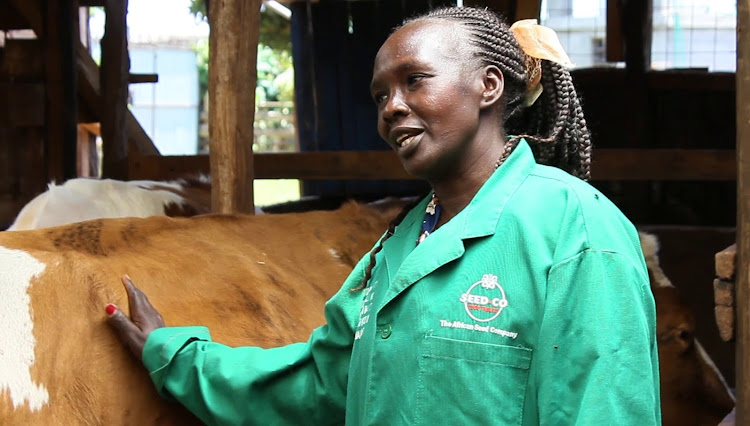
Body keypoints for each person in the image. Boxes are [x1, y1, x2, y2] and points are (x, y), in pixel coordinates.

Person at [106, 6, 661, 425]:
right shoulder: (402, 243)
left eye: (414, 80)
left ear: (488, 85)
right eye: (379, 95)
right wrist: (175, 356)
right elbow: (321, 382)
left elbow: (605, 406)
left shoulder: (575, 228)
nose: (391, 107)